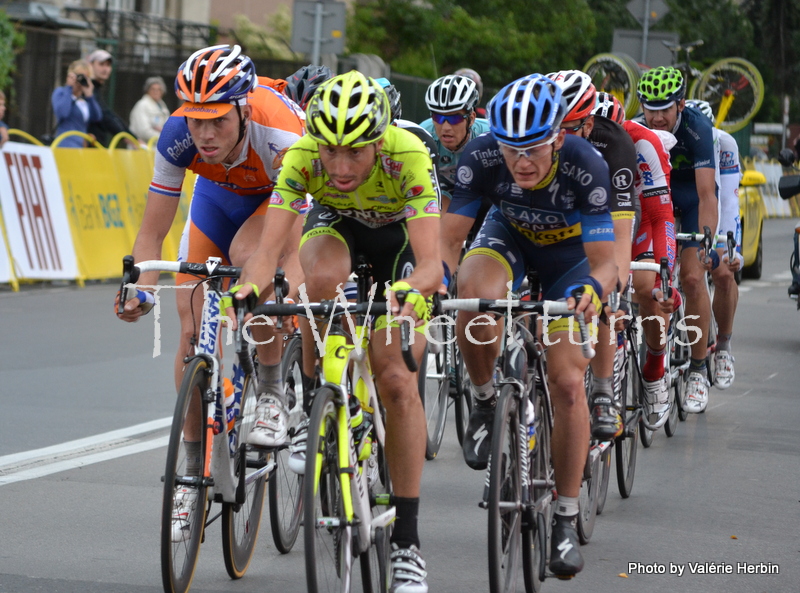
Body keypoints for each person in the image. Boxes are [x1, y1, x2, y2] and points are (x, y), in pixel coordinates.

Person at [229, 71, 440, 593]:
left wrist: (412, 290)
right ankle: (314, 400)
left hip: (399, 247)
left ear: (378, 143)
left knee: (395, 382)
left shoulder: (408, 153)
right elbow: (265, 254)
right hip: (338, 230)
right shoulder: (303, 157)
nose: (341, 168)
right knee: (315, 278)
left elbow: (433, 264)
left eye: (356, 153)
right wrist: (246, 294)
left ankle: (408, 545)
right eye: (331, 152)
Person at [115, 44, 305, 541]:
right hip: (216, 201)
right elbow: (152, 233)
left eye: (217, 120)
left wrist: (289, 285)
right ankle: (191, 468)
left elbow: (298, 230)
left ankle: (267, 390)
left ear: (242, 108)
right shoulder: (177, 135)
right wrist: (140, 287)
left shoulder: (280, 129)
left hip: (276, 203)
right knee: (191, 326)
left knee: (251, 264)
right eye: (196, 120)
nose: (204, 133)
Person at [441, 74, 617, 577]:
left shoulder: (587, 165)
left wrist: (594, 292)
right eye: (510, 147)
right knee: (474, 300)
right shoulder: (480, 156)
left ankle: (564, 516)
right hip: (509, 240)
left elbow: (607, 262)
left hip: (571, 264)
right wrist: (434, 281)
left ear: (559, 137)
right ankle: (484, 399)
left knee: (565, 382)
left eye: (534, 148)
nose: (520, 161)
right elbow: (449, 241)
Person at [547, 70, 638, 437]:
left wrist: (615, 284)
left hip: (598, 218)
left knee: (602, 291)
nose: (559, 138)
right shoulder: (539, 135)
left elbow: (619, 230)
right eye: (554, 127)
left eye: (568, 128)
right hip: (549, 218)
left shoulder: (613, 144)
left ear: (587, 124)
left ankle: (602, 391)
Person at [636, 66, 718, 413]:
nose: (655, 116)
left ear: (680, 105)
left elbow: (706, 194)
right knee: (644, 273)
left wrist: (704, 244)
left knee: (692, 277)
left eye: (664, 109)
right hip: (657, 195)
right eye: (649, 108)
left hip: (689, 195)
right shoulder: (637, 126)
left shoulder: (697, 127)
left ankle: (698, 368)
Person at [595, 91, 679, 426]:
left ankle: (655, 369)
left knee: (646, 288)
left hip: (642, 214)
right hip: (597, 218)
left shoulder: (643, 144)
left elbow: (662, 217)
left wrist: (665, 275)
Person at [686, 99, 742, 388]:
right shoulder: (679, 137)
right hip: (686, 209)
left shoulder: (724, 142)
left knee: (722, 272)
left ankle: (723, 346)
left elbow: (730, 201)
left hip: (717, 211)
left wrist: (734, 249)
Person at [420, 74, 490, 213]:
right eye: (438, 117)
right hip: (441, 190)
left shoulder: (489, 135)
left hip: (481, 191)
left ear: (471, 118)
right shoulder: (423, 134)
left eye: (455, 118)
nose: (445, 127)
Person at [86, 49, 137, 146]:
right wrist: (127, 138)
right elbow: (105, 116)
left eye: (108, 65)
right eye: (101, 64)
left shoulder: (96, 89)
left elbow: (110, 114)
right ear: (90, 65)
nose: (106, 69)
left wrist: (132, 137)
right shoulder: (87, 89)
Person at [50, 59, 102, 148]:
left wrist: (89, 95)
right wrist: (69, 87)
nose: (80, 80)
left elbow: (97, 117)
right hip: (65, 144)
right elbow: (62, 113)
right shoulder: (61, 92)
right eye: (79, 76)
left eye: (85, 77)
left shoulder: (85, 100)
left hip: (80, 147)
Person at [129, 76, 171, 143]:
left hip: (157, 148)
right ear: (147, 91)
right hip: (142, 149)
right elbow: (143, 131)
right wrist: (164, 137)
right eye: (153, 89)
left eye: (159, 89)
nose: (155, 92)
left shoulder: (163, 106)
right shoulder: (142, 105)